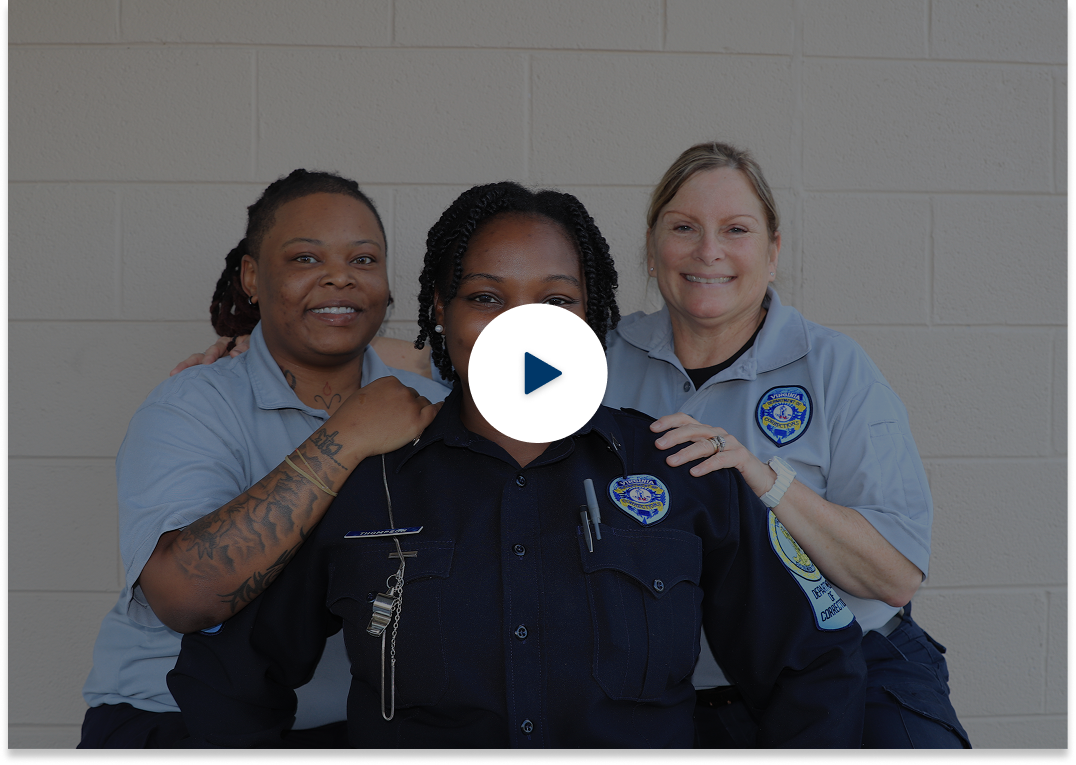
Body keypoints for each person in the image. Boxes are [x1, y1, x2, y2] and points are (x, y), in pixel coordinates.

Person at [166, 181, 866, 749]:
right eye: (486, 297)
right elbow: (227, 678)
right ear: (440, 312)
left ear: (594, 319)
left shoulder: (682, 468)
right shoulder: (365, 479)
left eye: (556, 300)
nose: (520, 327)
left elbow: (814, 669)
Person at [600, 142, 968, 749]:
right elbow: (486, 380)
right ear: (651, 246)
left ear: (772, 252)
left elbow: (895, 576)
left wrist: (762, 478)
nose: (708, 251)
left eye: (735, 230)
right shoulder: (602, 360)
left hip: (852, 659)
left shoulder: (834, 367)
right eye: (684, 227)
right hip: (668, 690)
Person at [79, 170, 448, 748]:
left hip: (365, 724)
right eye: (305, 258)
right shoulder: (193, 404)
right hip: (176, 719)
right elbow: (183, 596)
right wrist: (345, 436)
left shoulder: (432, 408)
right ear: (252, 277)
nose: (339, 277)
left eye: (364, 259)